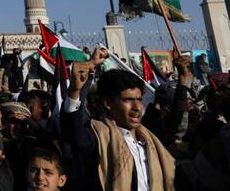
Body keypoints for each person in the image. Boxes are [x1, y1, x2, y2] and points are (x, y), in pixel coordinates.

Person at [61, 49, 176, 191]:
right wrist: (75, 91)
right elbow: (73, 131)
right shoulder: (99, 137)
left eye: (139, 100)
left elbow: (176, 124)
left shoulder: (149, 139)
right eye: (128, 100)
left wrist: (183, 81)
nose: (137, 107)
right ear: (108, 103)